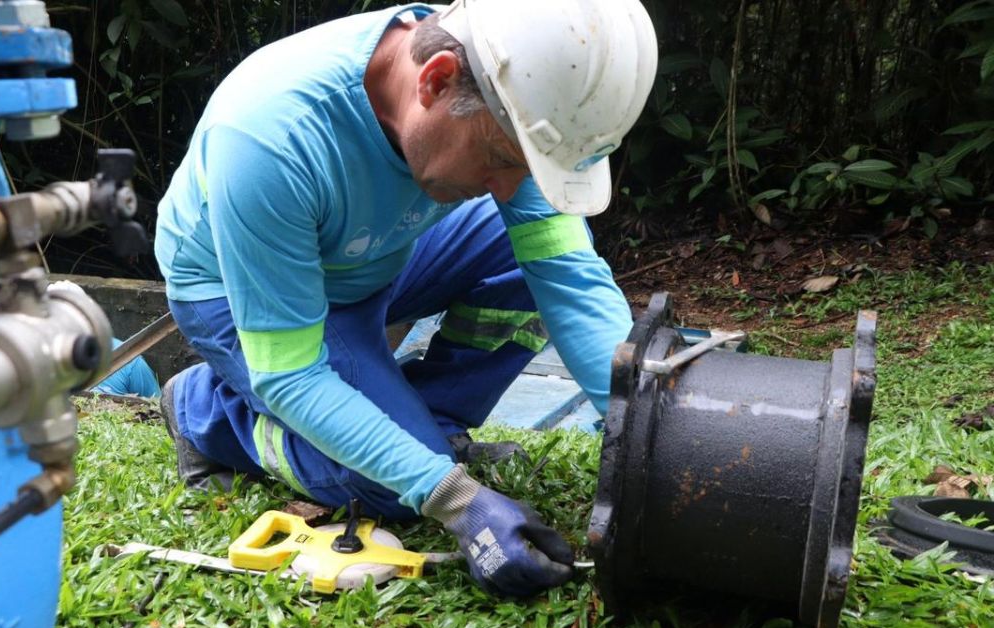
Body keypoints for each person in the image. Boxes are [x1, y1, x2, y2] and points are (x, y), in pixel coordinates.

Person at [154, 0, 657, 597]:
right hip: (247, 291)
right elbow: (292, 376)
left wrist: (647, 422)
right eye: (499, 160)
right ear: (436, 79)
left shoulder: (506, 90)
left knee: (528, 256)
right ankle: (208, 412)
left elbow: (567, 275)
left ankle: (433, 423)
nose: (507, 189)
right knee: (393, 487)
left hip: (372, 254)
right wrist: (454, 498)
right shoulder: (271, 139)